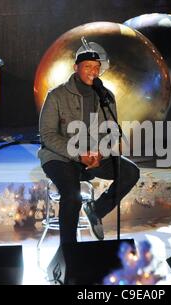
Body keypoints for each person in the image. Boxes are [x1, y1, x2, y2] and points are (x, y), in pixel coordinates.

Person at [38, 44, 140, 244]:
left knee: (130, 172)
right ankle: (69, 251)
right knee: (73, 197)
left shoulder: (106, 96)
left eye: (96, 67)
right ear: (76, 68)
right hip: (61, 157)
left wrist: (100, 154)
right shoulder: (56, 96)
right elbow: (48, 136)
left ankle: (96, 210)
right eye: (88, 66)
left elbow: (111, 132)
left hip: (94, 156)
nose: (93, 71)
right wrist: (79, 154)